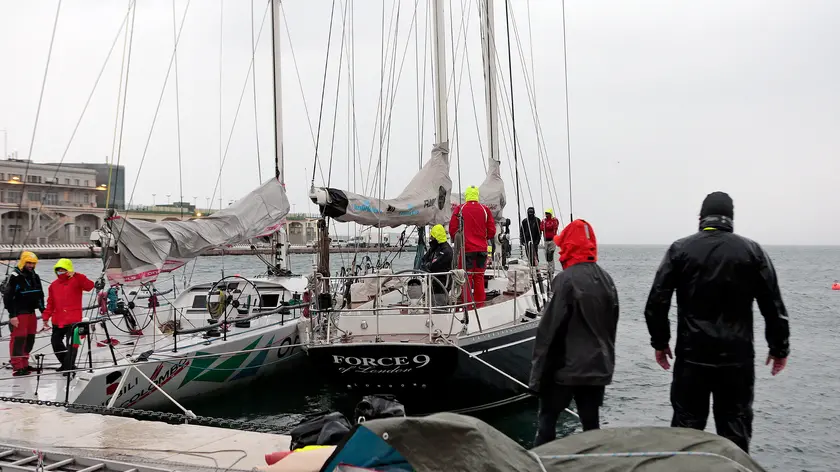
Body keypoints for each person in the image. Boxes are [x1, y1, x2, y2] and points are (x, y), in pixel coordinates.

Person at [644, 191, 790, 453]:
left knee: (686, 431)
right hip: (737, 359)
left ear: (701, 217)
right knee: (735, 430)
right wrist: (779, 348)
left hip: (692, 356)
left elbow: (657, 302)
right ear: (731, 219)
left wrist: (660, 342)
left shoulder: (680, 250)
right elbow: (773, 305)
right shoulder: (752, 251)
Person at [529, 219, 618, 446]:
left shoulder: (565, 280)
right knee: (591, 429)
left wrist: (537, 379)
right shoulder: (607, 280)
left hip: (565, 371)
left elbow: (548, 331)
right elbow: (611, 327)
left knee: (547, 426)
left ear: (569, 246)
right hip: (597, 370)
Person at [42, 258, 95, 371]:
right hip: (58, 320)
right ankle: (67, 364)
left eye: (63, 270)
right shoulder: (53, 285)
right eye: (58, 270)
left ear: (69, 270)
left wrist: (76, 274)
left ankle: (68, 367)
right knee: (55, 343)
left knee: (72, 345)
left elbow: (90, 286)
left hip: (74, 321)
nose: (61, 272)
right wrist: (46, 317)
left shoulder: (77, 280)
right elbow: (50, 302)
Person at [449, 185, 496, 308]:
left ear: (467, 195)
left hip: (467, 249)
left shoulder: (460, 209)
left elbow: (453, 229)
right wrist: (482, 238)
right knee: (479, 277)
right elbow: (492, 231)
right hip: (482, 250)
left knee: (467, 278)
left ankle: (468, 307)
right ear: (477, 195)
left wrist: (458, 238)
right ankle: (480, 306)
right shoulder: (485, 209)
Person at [2, 251, 45, 376]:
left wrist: (44, 312)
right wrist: (12, 315)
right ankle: (17, 365)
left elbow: (40, 295)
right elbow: (8, 297)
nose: (31, 265)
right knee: (18, 339)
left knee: (30, 338)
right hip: (19, 313)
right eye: (29, 263)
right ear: (23, 262)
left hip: (32, 313)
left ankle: (25, 363)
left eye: (33, 263)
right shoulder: (15, 276)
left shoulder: (34, 276)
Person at [421, 224, 453, 309]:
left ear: (437, 237)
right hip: (433, 283)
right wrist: (426, 265)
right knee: (431, 305)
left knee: (439, 308)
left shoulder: (446, 251)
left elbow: (433, 265)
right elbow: (424, 259)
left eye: (432, 237)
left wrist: (427, 265)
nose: (430, 239)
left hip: (441, 285)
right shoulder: (433, 248)